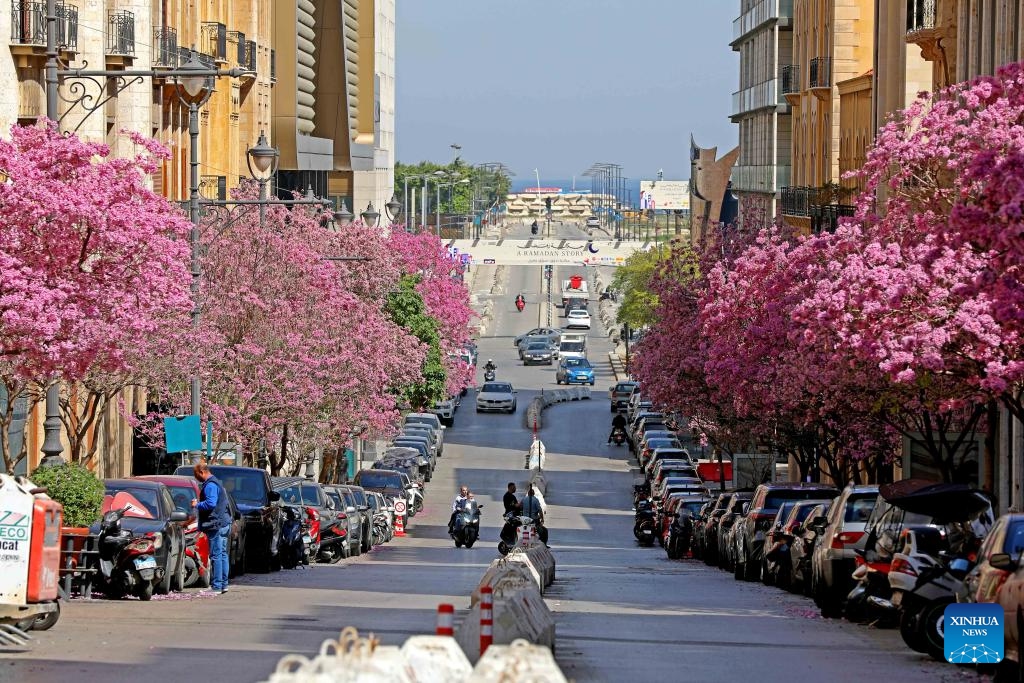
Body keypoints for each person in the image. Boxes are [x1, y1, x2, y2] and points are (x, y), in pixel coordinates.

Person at [194, 461, 231, 594]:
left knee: (216, 555)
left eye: (196, 474)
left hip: (216, 524)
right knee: (222, 554)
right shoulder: (217, 483)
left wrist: (197, 504)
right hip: (224, 523)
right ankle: (223, 584)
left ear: (201, 472)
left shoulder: (210, 485)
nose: (196, 477)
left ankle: (216, 586)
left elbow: (210, 503)